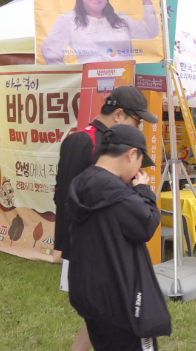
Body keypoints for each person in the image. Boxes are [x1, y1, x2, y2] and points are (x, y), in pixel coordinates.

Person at [54, 86, 159, 351]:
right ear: (119, 114)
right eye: (137, 122)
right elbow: (74, 195)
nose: (139, 130)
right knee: (108, 314)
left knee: (98, 314)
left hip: (96, 240)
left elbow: (67, 193)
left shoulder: (87, 139)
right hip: (101, 247)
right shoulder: (94, 144)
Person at [67, 124, 171, 350]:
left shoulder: (81, 183)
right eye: (139, 164)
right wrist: (143, 190)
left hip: (91, 295)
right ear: (132, 154)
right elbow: (146, 224)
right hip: (125, 300)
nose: (136, 172)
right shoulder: (116, 193)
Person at [41, 0, 160, 64]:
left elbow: (150, 32)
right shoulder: (69, 20)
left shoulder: (121, 20)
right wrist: (72, 80)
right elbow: (49, 51)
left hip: (123, 86)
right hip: (91, 87)